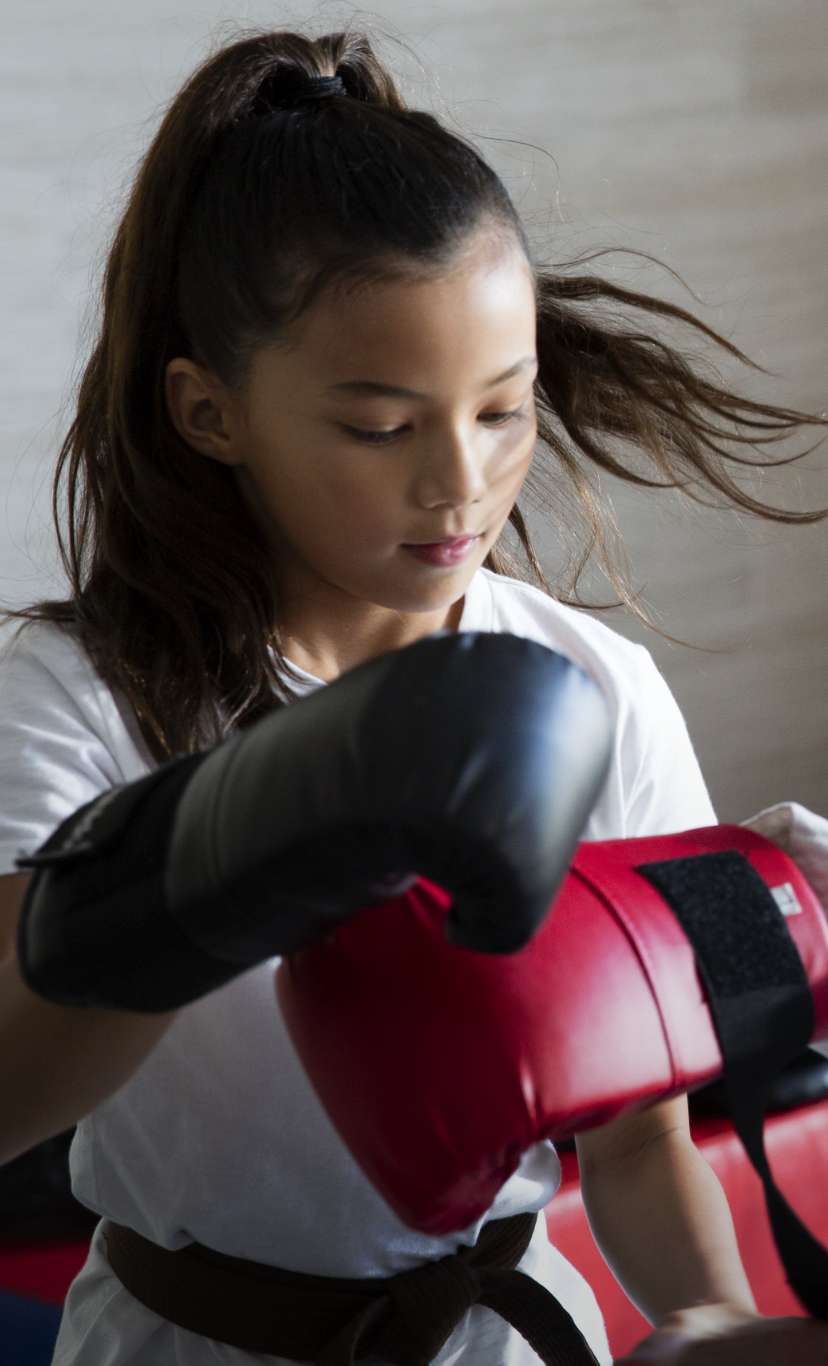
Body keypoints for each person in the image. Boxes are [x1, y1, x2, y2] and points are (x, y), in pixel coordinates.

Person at [0, 25, 826, 1366]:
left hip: (504, 1334)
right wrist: (223, 863)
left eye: (502, 409)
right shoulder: (86, 692)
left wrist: (708, 1320)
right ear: (211, 412)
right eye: (381, 426)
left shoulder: (584, 691)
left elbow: (638, 1140)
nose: (459, 481)